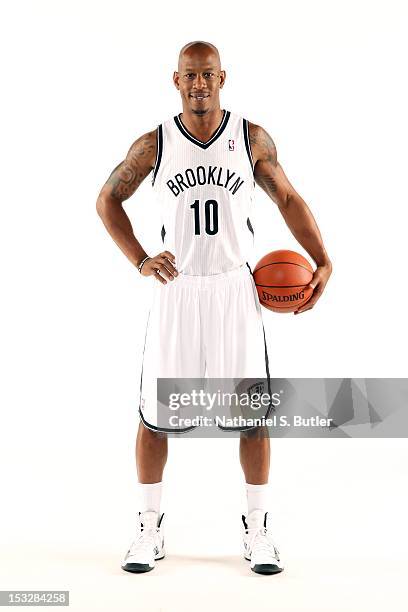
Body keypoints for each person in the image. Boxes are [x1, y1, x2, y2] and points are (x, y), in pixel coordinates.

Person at [96, 40, 332, 575]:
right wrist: (139, 259)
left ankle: (257, 529)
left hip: (234, 288)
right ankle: (149, 527)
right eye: (190, 76)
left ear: (222, 77)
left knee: (251, 418)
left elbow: (289, 200)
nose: (199, 84)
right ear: (175, 81)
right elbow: (107, 199)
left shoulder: (250, 140)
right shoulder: (153, 145)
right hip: (177, 288)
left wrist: (321, 259)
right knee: (156, 418)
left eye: (208, 75)